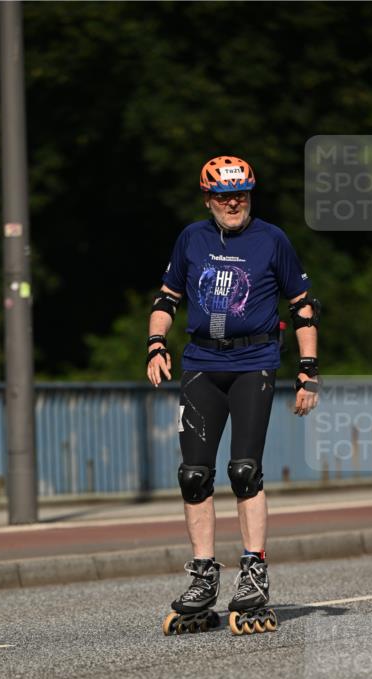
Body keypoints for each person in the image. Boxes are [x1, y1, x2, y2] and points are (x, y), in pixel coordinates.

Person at [147, 155, 320, 632]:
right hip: (202, 364)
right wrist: (156, 343)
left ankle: (254, 570)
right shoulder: (192, 238)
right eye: (224, 195)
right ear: (209, 199)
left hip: (253, 363)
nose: (233, 202)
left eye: (241, 193)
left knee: (244, 470)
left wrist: (307, 371)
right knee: (193, 475)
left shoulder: (272, 239)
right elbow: (167, 298)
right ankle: (204, 574)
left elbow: (303, 306)